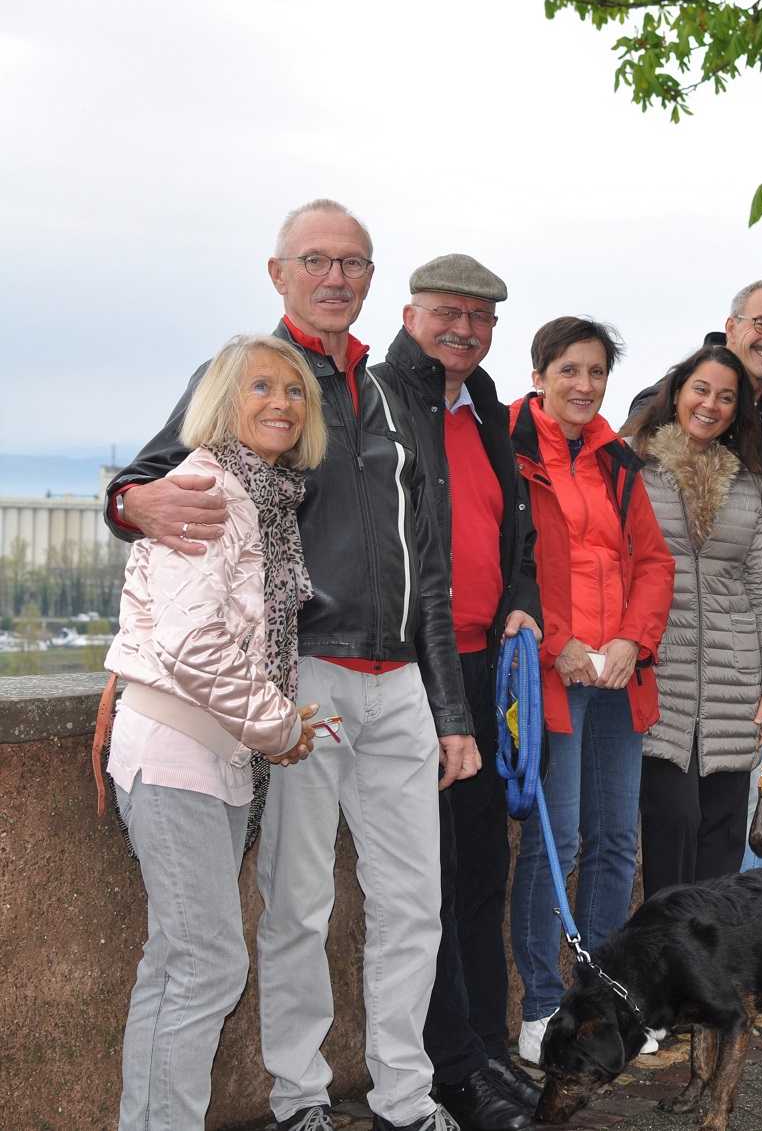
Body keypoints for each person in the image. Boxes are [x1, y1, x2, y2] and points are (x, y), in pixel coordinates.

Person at [107, 200, 477, 1131]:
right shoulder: (249, 375)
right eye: (314, 260)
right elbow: (149, 481)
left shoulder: (396, 393)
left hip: (400, 682)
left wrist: (452, 710)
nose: (334, 277)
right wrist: (127, 504)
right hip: (300, 680)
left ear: (372, 277)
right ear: (279, 273)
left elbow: (427, 563)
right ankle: (300, 1096)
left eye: (352, 262)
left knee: (414, 905)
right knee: (297, 905)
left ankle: (405, 1096)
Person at [106, 334, 323, 1131]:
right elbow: (190, 642)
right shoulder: (210, 486)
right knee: (205, 963)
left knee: (179, 962)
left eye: (294, 391)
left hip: (211, 752)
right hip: (176, 749)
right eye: (259, 386)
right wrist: (276, 724)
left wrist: (266, 724)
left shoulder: (264, 492)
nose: (281, 403)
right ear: (221, 400)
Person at [370, 255, 543, 1131]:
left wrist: (522, 597)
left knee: (480, 872)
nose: (463, 330)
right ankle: (449, 1067)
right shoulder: (379, 397)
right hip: (412, 675)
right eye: (448, 312)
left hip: (484, 669)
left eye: (479, 318)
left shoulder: (484, 407)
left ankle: (483, 1043)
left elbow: (517, 535)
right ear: (411, 315)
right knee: (426, 885)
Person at [507, 316, 675, 1064]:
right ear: (539, 374)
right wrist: (560, 642)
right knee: (558, 843)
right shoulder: (510, 449)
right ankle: (542, 1003)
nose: (584, 385)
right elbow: (509, 563)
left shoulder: (617, 460)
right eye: (568, 370)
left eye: (597, 371)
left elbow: (655, 563)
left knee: (613, 843)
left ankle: (603, 1001)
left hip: (618, 675)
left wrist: (631, 642)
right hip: (552, 676)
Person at [628, 280, 762, 869]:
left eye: (726, 397)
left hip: (736, 685)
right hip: (662, 678)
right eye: (700, 390)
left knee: (722, 841)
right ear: (677, 393)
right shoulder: (635, 467)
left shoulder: (748, 482)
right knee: (673, 825)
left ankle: (718, 938)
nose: (711, 405)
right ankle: (665, 936)